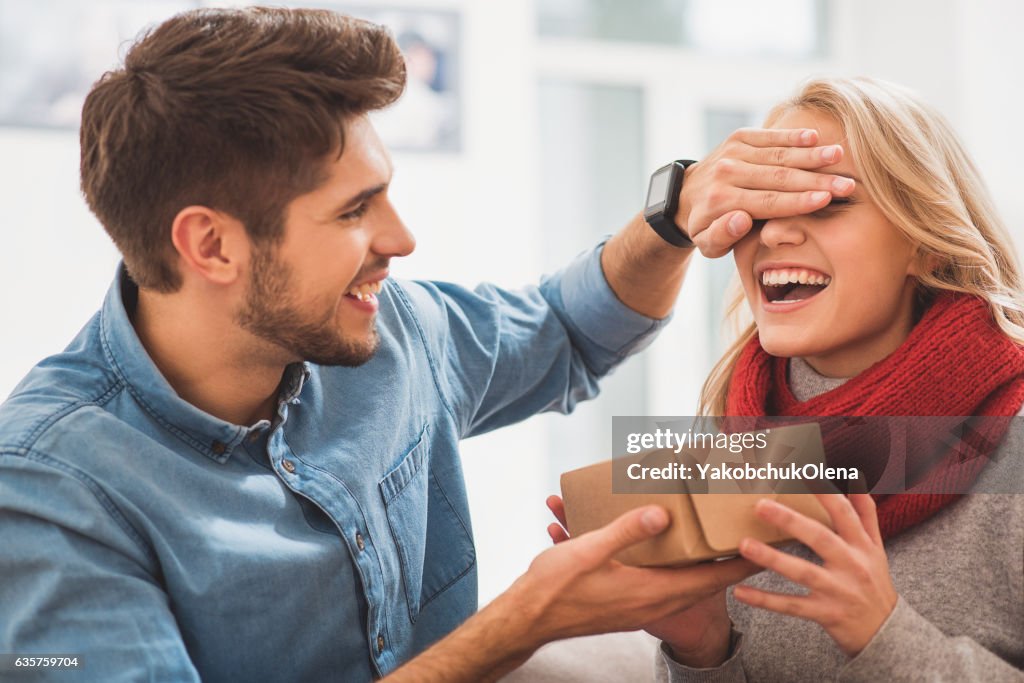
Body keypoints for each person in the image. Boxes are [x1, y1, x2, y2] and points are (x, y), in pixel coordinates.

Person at [0, 8, 857, 682]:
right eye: (353, 210)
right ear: (211, 246)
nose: (401, 239)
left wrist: (674, 214)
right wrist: (521, 623)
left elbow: (567, 331)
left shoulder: (391, 334)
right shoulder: (51, 490)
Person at [581, 76, 1021, 681]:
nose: (775, 233)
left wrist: (883, 637)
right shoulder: (734, 434)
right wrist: (704, 649)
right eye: (757, 209)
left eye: (828, 202)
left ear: (927, 246)